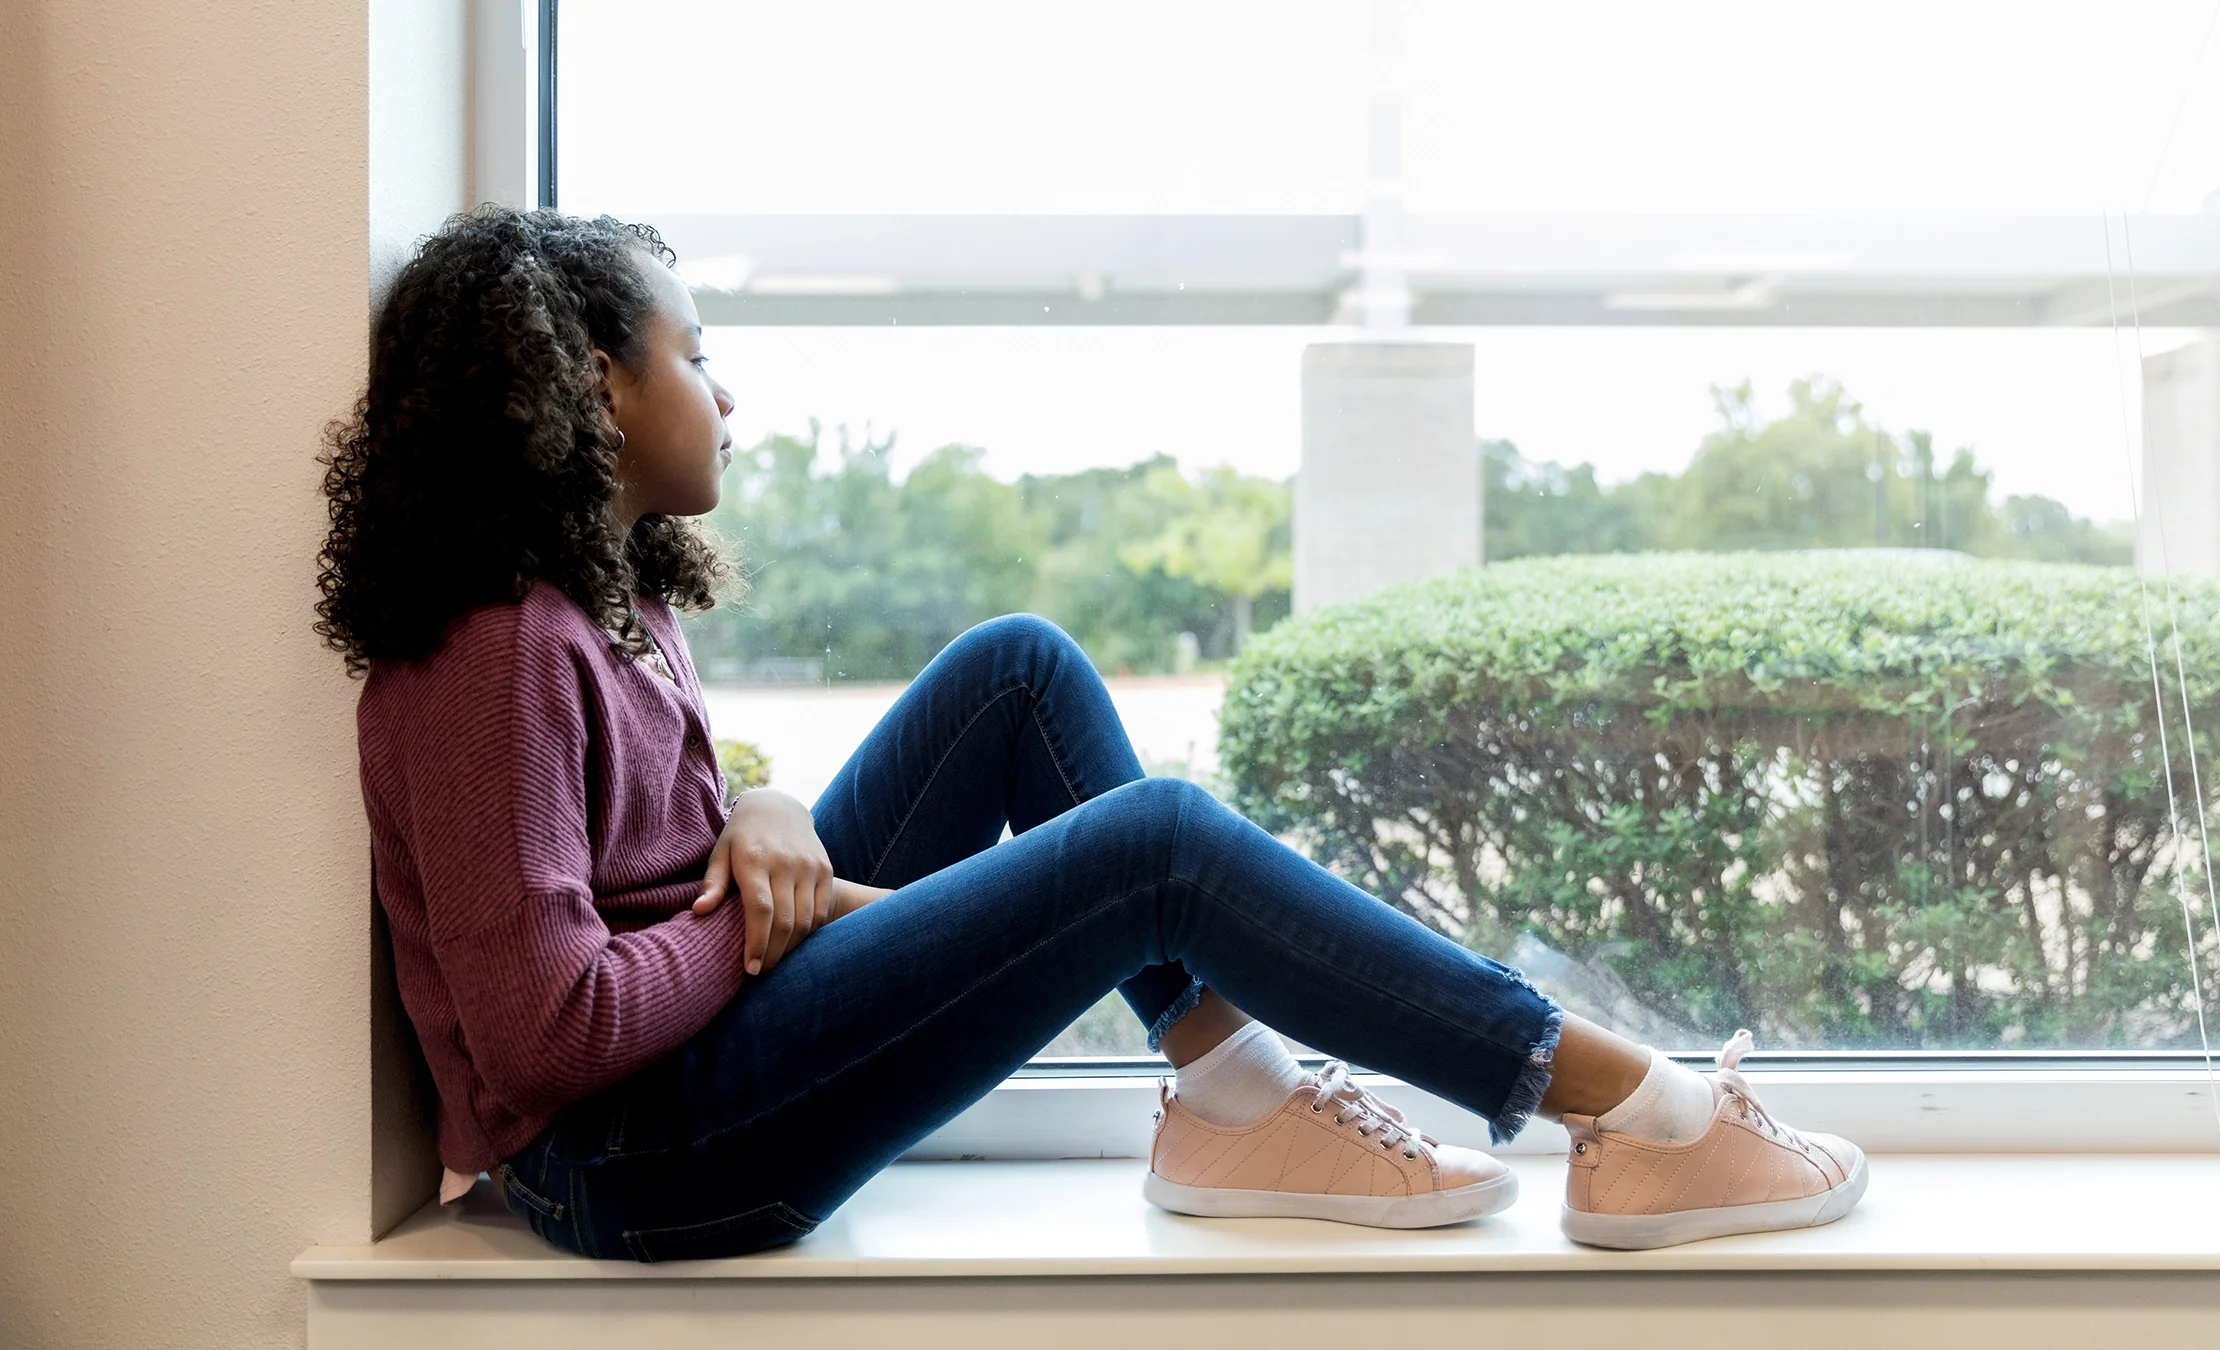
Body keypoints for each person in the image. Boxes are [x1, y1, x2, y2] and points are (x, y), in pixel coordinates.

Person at [316, 207, 1867, 1263]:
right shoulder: (490, 646)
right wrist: (753, 924)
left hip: (705, 1056)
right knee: (1159, 846)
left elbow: (649, 863)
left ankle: (1235, 1101)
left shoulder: (612, 603)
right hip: (632, 1161)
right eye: (699, 351)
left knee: (1017, 673)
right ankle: (1637, 1107)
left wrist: (763, 817)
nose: (729, 392)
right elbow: (541, 1031)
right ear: (595, 382)